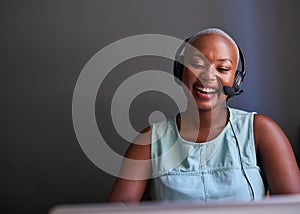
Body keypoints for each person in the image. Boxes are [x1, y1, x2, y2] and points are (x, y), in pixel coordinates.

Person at [108, 28, 300, 203]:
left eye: (222, 69)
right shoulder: (150, 140)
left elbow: (293, 207)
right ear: (180, 71)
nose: (208, 76)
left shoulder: (261, 131)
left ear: (236, 80)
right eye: (197, 64)